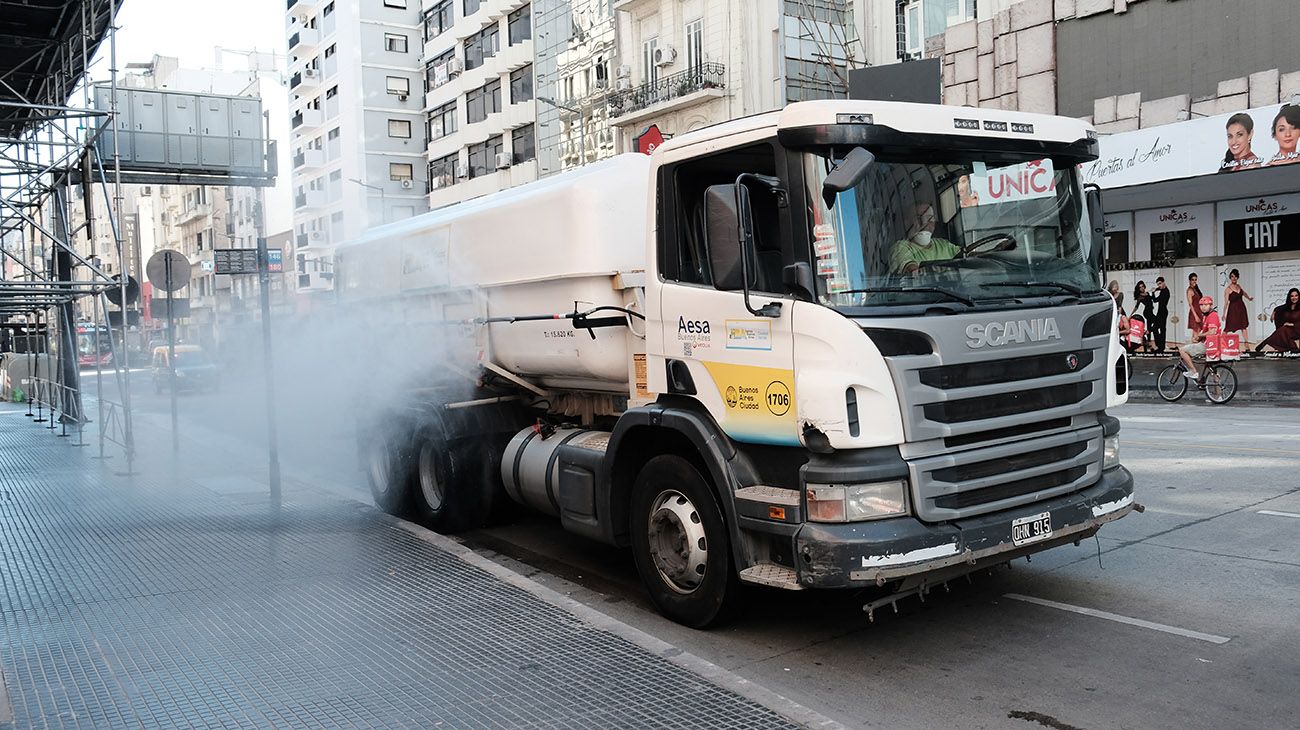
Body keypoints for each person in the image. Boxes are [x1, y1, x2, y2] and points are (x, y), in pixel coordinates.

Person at [889, 202, 959, 275]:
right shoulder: (900, 247)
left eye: (929, 219)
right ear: (907, 223)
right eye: (918, 218)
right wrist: (914, 270)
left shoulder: (943, 244)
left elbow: (964, 255)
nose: (925, 224)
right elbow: (910, 268)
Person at [1179, 296, 1220, 380]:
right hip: (1211, 345)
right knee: (1213, 370)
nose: (1203, 307)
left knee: (1182, 350)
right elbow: (1204, 331)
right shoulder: (1206, 316)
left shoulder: (1212, 315)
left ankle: (1193, 371)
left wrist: (1199, 336)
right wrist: (1198, 338)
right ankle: (1219, 392)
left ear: (1211, 305)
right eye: (1201, 305)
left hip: (1209, 345)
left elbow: (1212, 332)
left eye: (1206, 305)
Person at [1255, 287, 1300, 353]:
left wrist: (1292, 324)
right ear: (1289, 297)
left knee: (1283, 330)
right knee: (1283, 330)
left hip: (1297, 329)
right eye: (1292, 296)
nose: (1294, 298)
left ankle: (1265, 343)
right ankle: (1293, 349)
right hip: (1289, 330)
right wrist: (1274, 312)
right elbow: (1279, 308)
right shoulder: (1287, 306)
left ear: (1299, 296)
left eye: (1296, 295)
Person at [1222, 268, 1254, 344]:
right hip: (1233, 310)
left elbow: (1244, 293)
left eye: (1235, 276)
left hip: (1241, 308)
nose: (1234, 278)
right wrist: (1223, 314)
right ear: (1230, 277)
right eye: (1232, 276)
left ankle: (1246, 344)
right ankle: (1221, 342)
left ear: (1237, 277)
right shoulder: (1228, 289)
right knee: (1228, 327)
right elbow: (1226, 302)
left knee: (1243, 326)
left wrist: (1249, 298)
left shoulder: (1239, 286)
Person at [1132, 281, 1155, 352]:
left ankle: (1148, 343)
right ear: (1138, 289)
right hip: (1147, 312)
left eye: (1142, 286)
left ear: (1144, 286)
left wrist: (1153, 292)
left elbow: (1152, 299)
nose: (1142, 288)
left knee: (1149, 326)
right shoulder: (1140, 297)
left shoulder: (1147, 293)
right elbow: (1136, 307)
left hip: (1151, 311)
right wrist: (1131, 314)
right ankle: (1147, 336)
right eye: (1140, 287)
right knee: (1158, 322)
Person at [1151, 276, 1172, 353]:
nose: (1159, 285)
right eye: (1158, 284)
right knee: (1157, 329)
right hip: (1161, 312)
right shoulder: (1163, 289)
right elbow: (1159, 289)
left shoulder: (1165, 292)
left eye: (1160, 283)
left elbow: (1155, 300)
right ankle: (1160, 346)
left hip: (1162, 313)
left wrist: (1153, 293)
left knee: (1160, 329)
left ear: (1163, 282)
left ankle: (1160, 347)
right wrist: (1156, 289)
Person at [1186, 272, 1204, 338]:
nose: (1194, 281)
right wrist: (1196, 316)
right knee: (1196, 333)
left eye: (1195, 279)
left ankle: (1193, 347)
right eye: (1192, 279)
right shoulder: (1189, 290)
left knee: (1198, 332)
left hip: (1199, 312)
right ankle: (1193, 347)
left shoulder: (1196, 289)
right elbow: (1190, 304)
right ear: (1189, 281)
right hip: (1194, 313)